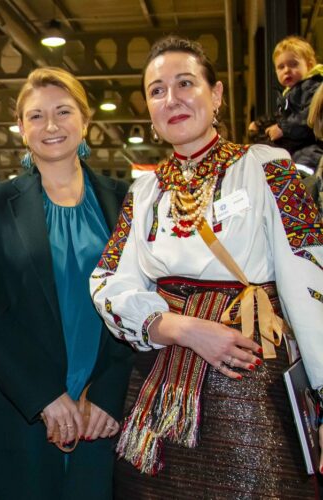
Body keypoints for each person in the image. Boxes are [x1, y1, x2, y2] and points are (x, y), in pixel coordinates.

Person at [91, 36, 323, 497]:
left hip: (251, 378)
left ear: (215, 95)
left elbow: (310, 277)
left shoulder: (270, 168)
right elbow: (108, 281)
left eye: (185, 83)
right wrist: (176, 326)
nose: (171, 98)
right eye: (157, 90)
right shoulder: (144, 192)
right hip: (159, 390)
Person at [0, 67, 133, 498]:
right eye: (36, 116)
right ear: (22, 129)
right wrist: (43, 395)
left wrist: (109, 392)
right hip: (23, 408)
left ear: (85, 120)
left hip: (103, 408)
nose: (51, 125)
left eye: (63, 111)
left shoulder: (125, 200)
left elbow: (143, 300)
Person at [248, 36, 323, 171]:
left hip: (311, 147)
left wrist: (283, 128)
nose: (287, 70)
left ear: (310, 64)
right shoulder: (291, 93)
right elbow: (280, 117)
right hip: (296, 148)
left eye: (293, 64)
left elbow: (309, 115)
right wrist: (260, 125)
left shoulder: (312, 87)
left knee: (300, 164)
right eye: (281, 67)